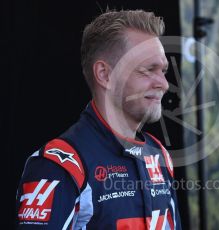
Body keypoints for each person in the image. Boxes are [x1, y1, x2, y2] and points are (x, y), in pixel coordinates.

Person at [16, 9, 182, 229]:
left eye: (163, 70)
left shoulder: (158, 154)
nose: (163, 83)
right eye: (148, 70)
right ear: (105, 75)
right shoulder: (60, 165)